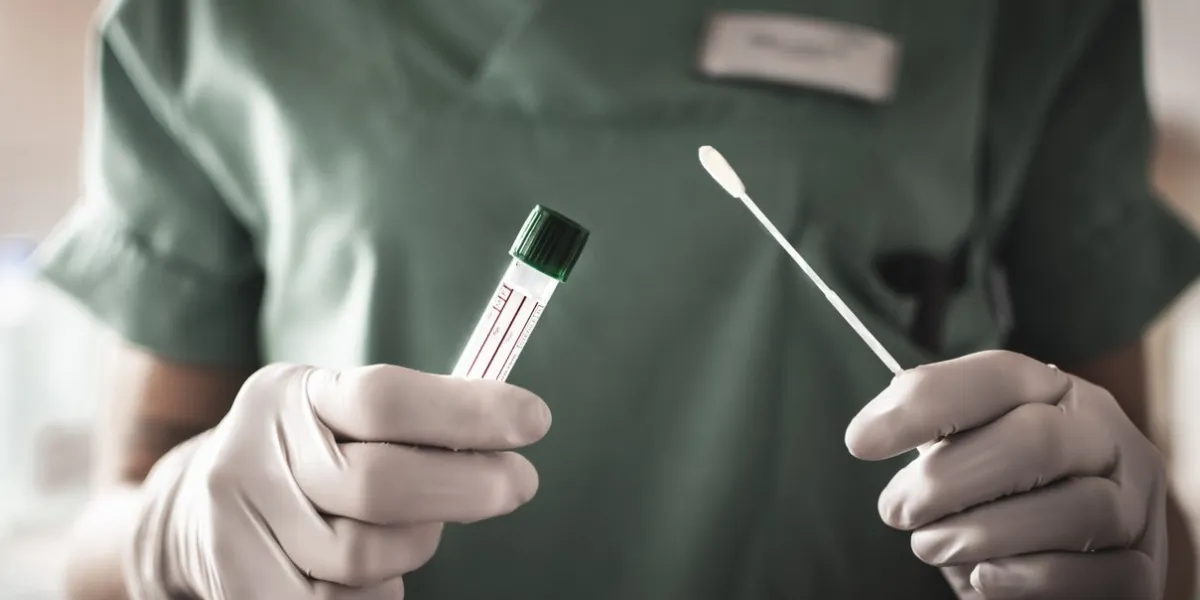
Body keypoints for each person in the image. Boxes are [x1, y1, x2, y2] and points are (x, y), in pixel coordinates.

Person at [34, 0, 1200, 598]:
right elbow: (99, 545)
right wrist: (169, 534)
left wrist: (1136, 541)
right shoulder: (214, 19)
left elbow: (1140, 513)